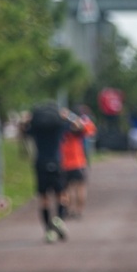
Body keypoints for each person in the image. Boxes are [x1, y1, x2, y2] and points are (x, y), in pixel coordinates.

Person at [22, 102, 83, 243]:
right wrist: (68, 116)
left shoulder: (36, 128)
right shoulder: (59, 127)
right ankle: (59, 220)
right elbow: (78, 126)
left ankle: (48, 230)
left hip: (40, 163)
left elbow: (24, 130)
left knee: (43, 198)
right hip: (57, 162)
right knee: (62, 194)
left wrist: (28, 119)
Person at [61, 107, 96, 219]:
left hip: (64, 163)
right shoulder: (77, 128)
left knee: (66, 189)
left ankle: (67, 210)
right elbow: (90, 129)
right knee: (80, 188)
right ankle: (78, 211)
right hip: (78, 163)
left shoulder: (61, 128)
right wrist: (73, 117)